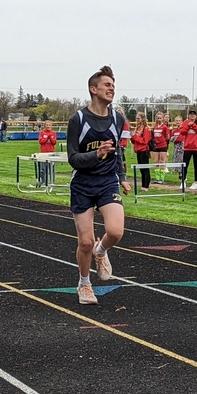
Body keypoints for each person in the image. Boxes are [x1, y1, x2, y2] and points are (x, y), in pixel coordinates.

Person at [67, 65, 131, 305]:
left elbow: (119, 152)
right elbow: (73, 158)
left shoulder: (118, 119)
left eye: (113, 85)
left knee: (115, 232)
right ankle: (84, 284)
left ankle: (101, 251)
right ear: (93, 89)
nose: (111, 88)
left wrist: (122, 177)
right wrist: (97, 154)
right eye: (107, 85)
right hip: (83, 184)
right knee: (85, 242)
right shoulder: (78, 119)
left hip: (107, 182)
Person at [176, 109, 197, 190]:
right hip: (187, 147)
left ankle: (195, 182)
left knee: (196, 165)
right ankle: (183, 181)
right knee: (185, 165)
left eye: (194, 114)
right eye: (191, 114)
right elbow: (182, 131)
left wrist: (193, 125)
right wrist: (188, 126)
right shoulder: (185, 122)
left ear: (196, 115)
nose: (192, 115)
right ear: (188, 115)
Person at [130, 111, 152, 190]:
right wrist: (132, 137)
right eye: (136, 118)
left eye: (138, 118)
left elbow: (145, 141)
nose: (137, 120)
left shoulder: (146, 129)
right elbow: (134, 141)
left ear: (142, 119)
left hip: (144, 150)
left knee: (145, 169)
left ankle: (146, 186)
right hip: (138, 150)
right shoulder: (137, 128)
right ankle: (143, 186)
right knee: (141, 169)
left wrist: (135, 137)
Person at [150, 111, 170, 184]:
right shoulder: (154, 127)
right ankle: (157, 178)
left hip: (163, 146)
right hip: (156, 146)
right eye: (158, 118)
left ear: (162, 119)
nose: (159, 119)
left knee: (162, 161)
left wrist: (163, 141)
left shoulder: (164, 127)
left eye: (160, 118)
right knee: (156, 161)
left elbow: (167, 137)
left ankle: (162, 178)